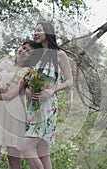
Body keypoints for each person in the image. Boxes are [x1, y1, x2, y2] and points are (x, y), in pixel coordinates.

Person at [20, 21, 73, 169]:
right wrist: (28, 91)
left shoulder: (59, 55)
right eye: (34, 30)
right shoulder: (35, 55)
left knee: (25, 147)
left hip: (47, 106)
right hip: (32, 106)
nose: (35, 33)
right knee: (42, 151)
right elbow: (25, 80)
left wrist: (52, 90)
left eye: (39, 30)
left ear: (48, 33)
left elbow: (70, 82)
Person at [0, 40, 41, 169]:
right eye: (23, 47)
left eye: (28, 51)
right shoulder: (4, 64)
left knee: (14, 161)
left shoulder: (26, 71)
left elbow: (11, 95)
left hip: (14, 116)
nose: (23, 51)